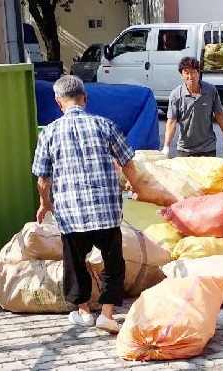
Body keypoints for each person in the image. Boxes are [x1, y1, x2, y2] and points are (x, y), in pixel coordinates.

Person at [32, 75, 142, 333]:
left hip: (71, 214)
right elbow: (128, 162)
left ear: (59, 103)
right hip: (106, 211)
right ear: (85, 98)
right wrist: (135, 187)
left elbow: (43, 178)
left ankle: (83, 312)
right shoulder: (105, 125)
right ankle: (107, 313)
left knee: (75, 263)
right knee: (113, 263)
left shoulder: (49, 132)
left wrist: (44, 203)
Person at [161, 56, 223, 157]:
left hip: (208, 148)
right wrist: (166, 146)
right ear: (181, 75)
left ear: (199, 73)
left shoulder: (210, 90)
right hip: (185, 149)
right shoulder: (176, 95)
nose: (190, 76)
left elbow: (219, 114)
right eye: (186, 72)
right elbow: (171, 121)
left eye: (193, 72)